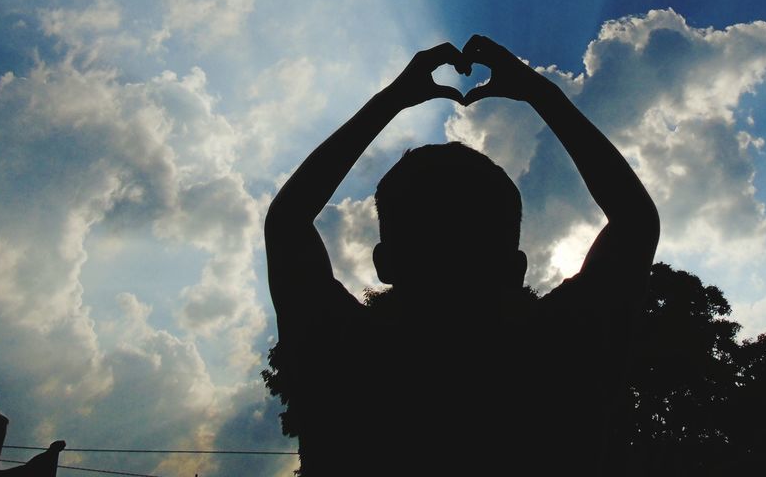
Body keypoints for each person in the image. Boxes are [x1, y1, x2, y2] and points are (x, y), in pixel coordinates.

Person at [265, 35, 660, 476]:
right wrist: (540, 93)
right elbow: (635, 222)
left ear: (384, 263)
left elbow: (287, 222)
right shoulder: (559, 355)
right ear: (516, 269)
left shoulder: (344, 358)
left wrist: (391, 100)